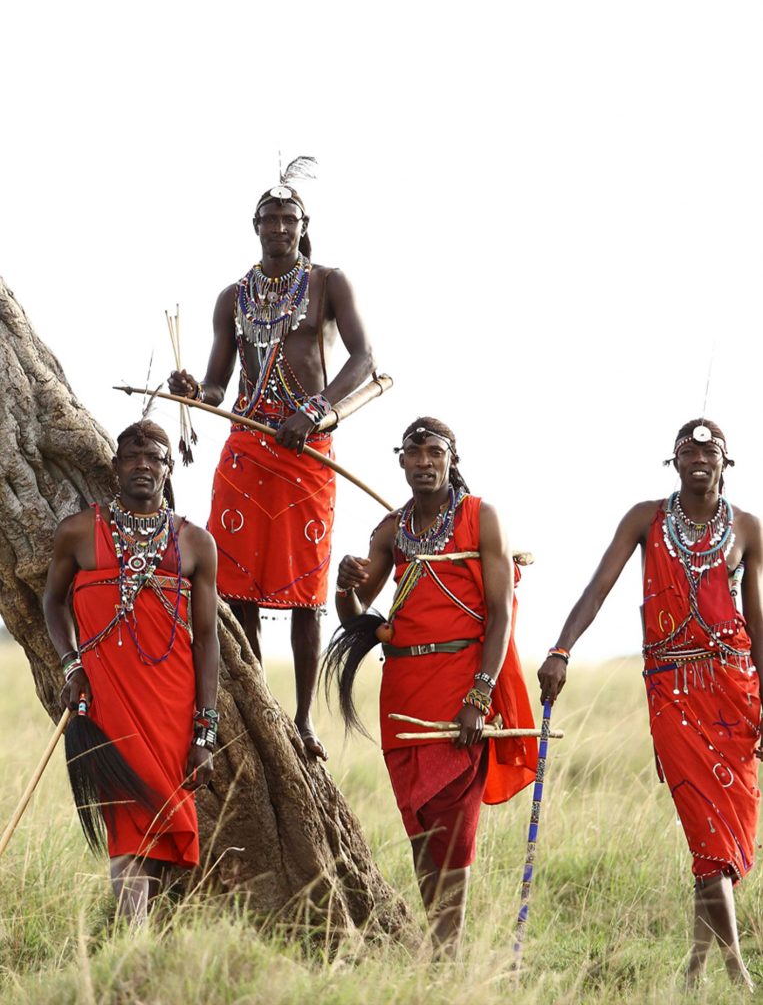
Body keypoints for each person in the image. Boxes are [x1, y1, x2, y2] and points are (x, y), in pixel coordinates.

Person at [537, 419, 763, 989]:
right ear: (674, 461)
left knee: (721, 834)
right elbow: (598, 587)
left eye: (709, 454)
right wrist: (562, 648)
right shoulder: (645, 519)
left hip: (734, 690)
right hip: (672, 689)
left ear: (726, 464)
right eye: (687, 452)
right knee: (704, 828)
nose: (698, 461)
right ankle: (737, 974)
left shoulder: (749, 529)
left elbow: (757, 624)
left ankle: (694, 967)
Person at [169, 168, 373, 760]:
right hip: (246, 449)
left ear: (303, 229)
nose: (279, 227)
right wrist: (190, 389)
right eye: (269, 219)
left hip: (304, 451)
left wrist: (316, 413)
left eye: (290, 219)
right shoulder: (232, 297)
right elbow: (215, 386)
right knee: (237, 591)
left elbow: (364, 360)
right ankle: (258, 707)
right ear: (255, 228)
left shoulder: (329, 284)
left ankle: (305, 719)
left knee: (308, 589)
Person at [324, 417, 538, 958]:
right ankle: (440, 944)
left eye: (434, 452)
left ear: (451, 458)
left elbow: (499, 614)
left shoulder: (481, 517)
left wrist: (480, 694)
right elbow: (356, 617)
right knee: (418, 820)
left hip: (461, 689)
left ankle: (447, 951)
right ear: (400, 461)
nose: (424, 461)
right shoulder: (392, 530)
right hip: (402, 694)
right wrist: (344, 584)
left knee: (454, 823)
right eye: (413, 452)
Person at [43, 420, 220, 927]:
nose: (144, 464)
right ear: (116, 466)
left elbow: (206, 641)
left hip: (173, 708)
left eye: (156, 457)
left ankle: (144, 941)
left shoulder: (195, 544)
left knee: (165, 822)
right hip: (107, 703)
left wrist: (204, 729)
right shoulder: (78, 532)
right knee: (127, 820)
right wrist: (71, 663)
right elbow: (52, 603)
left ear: (168, 469)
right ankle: (133, 945)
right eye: (133, 456)